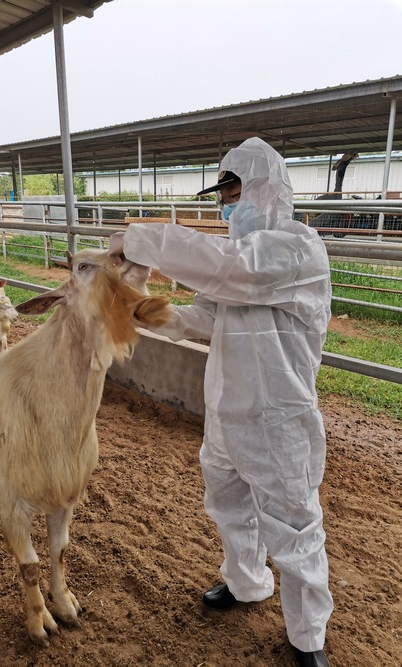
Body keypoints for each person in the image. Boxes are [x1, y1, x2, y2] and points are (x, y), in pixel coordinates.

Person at [109, 137, 333, 667]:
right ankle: (246, 583)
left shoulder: (297, 248)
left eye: (233, 191)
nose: (226, 204)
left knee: (294, 525)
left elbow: (235, 270)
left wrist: (140, 237)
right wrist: (157, 314)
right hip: (227, 409)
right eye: (223, 195)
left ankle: (307, 638)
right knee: (230, 507)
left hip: (278, 417)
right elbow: (211, 313)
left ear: (266, 188)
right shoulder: (240, 260)